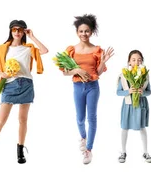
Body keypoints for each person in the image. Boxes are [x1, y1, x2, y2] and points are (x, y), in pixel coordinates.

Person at [0, 20, 48, 167]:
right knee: (1, 119)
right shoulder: (3, 48)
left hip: (26, 84)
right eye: (15, 29)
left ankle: (20, 150)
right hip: (9, 85)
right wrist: (3, 74)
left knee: (23, 119)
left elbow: (44, 51)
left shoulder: (28, 48)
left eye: (20, 30)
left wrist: (33, 37)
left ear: (24, 32)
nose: (17, 32)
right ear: (10, 31)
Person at [61, 14, 114, 165]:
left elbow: (98, 72)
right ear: (77, 32)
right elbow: (64, 71)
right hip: (77, 86)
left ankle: (89, 150)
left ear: (91, 32)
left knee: (92, 118)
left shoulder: (97, 50)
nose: (84, 34)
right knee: (80, 118)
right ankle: (83, 138)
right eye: (81, 31)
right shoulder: (71, 50)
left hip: (92, 87)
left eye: (87, 31)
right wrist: (77, 71)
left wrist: (103, 62)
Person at [117, 50, 151, 163]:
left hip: (141, 104)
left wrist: (142, 92)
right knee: (124, 128)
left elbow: (149, 92)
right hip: (127, 105)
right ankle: (123, 152)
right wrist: (128, 91)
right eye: (133, 60)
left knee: (142, 128)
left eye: (139, 60)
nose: (136, 62)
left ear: (142, 61)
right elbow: (118, 92)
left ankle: (145, 152)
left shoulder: (145, 75)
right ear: (129, 62)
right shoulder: (123, 75)